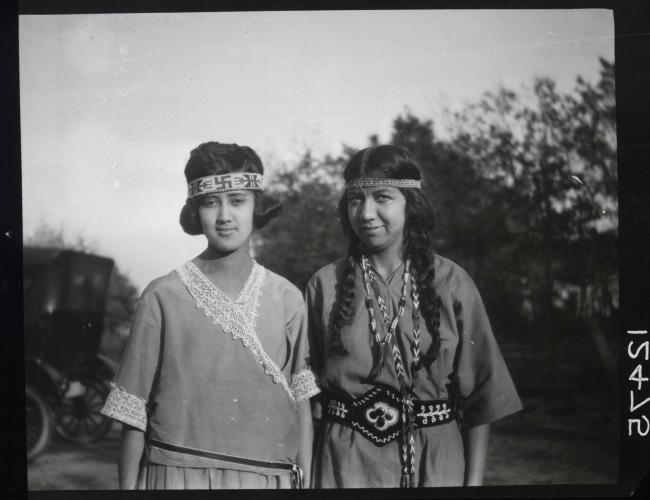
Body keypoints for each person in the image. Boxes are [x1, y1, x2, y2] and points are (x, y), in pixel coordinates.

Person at [100, 142, 319, 489]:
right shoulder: (161, 296)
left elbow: (301, 401)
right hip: (175, 475)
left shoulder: (287, 298)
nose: (224, 216)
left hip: (268, 478)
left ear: (256, 205)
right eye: (210, 202)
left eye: (237, 201)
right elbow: (132, 413)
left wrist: (304, 480)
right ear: (194, 211)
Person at [306, 145, 523, 488]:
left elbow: (481, 397)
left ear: (411, 203)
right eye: (355, 200)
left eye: (382, 197)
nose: (366, 213)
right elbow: (309, 397)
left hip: (435, 463)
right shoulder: (325, 285)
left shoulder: (451, 282)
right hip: (344, 465)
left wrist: (474, 484)